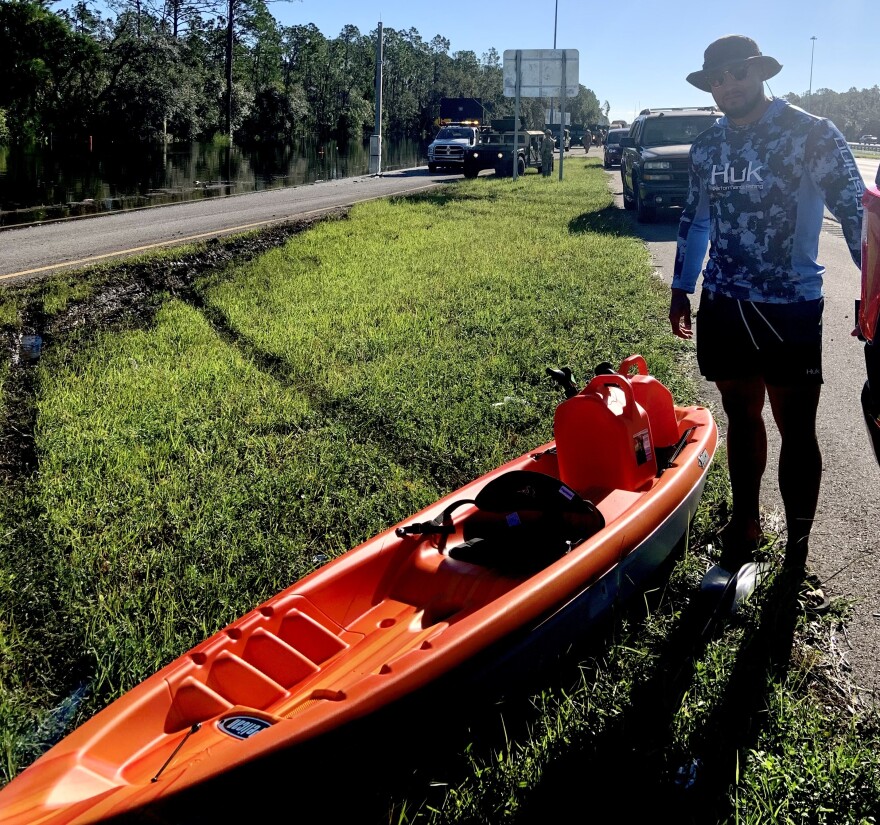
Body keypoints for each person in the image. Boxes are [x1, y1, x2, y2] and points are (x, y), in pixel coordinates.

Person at [668, 35, 864, 579]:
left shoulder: (811, 133)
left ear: (759, 73)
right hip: (726, 302)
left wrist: (875, 291)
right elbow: (697, 217)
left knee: (797, 427)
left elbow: (856, 216)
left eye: (737, 73)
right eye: (717, 79)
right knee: (740, 414)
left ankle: (797, 553)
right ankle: (747, 523)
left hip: (790, 305)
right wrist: (683, 286)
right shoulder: (708, 146)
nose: (728, 85)